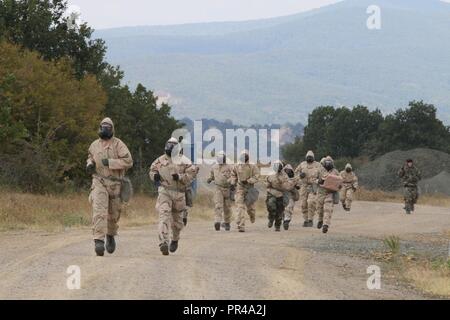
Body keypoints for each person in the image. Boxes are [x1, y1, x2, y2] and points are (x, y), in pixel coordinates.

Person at [86, 117, 133, 256]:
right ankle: (98, 241)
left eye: (108, 127)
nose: (104, 130)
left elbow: (128, 161)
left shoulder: (118, 144)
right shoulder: (94, 145)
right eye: (102, 127)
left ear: (112, 129)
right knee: (99, 210)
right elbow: (90, 156)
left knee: (113, 214)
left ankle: (110, 235)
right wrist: (89, 164)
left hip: (115, 183)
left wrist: (111, 162)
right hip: (99, 180)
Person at [149, 137, 197, 255]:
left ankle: (175, 239)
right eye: (169, 145)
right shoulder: (160, 160)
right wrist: (154, 175)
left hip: (179, 193)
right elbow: (152, 170)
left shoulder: (185, 161)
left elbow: (192, 174)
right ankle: (163, 242)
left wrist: (180, 177)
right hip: (165, 191)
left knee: (177, 223)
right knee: (164, 215)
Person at [230, 150, 260, 232]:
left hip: (250, 188)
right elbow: (233, 175)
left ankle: (252, 216)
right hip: (240, 188)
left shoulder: (253, 166)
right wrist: (233, 183)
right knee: (240, 207)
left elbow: (256, 176)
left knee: (251, 209)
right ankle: (241, 225)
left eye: (245, 156)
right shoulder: (236, 166)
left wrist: (248, 181)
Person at [265, 161, 298, 231]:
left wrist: (292, 183)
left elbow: (288, 186)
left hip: (281, 194)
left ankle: (277, 226)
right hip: (272, 192)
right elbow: (266, 182)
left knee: (279, 210)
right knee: (271, 206)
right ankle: (271, 219)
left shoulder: (284, 175)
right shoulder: (270, 174)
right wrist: (268, 186)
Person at [207, 151, 234, 231]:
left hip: (228, 189)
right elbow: (211, 175)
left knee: (227, 207)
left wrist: (232, 183)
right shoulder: (214, 167)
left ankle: (227, 223)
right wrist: (209, 179)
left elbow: (234, 176)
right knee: (218, 205)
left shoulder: (230, 167)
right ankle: (217, 222)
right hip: (218, 188)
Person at [294, 151, 321, 227]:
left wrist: (320, 181)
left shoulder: (318, 165)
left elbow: (322, 174)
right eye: (308, 157)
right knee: (303, 204)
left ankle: (310, 219)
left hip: (314, 186)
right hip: (304, 186)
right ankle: (305, 220)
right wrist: (300, 176)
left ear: (313, 158)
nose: (309, 158)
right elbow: (295, 173)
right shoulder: (302, 164)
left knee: (311, 202)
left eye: (311, 157)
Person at [315, 156, 341, 234]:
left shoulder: (335, 172)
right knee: (319, 209)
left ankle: (326, 225)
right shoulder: (319, 171)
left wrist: (339, 185)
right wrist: (318, 181)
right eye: (327, 162)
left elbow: (340, 181)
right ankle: (320, 220)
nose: (328, 164)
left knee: (328, 209)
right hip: (320, 193)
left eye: (330, 162)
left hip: (330, 193)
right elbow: (313, 179)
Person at [281, 163, 300, 230]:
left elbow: (298, 185)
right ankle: (284, 218)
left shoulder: (295, 179)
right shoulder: (281, 178)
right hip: (282, 195)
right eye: (286, 170)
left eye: (289, 170)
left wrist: (296, 186)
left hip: (291, 195)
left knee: (289, 207)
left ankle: (286, 220)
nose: (288, 172)